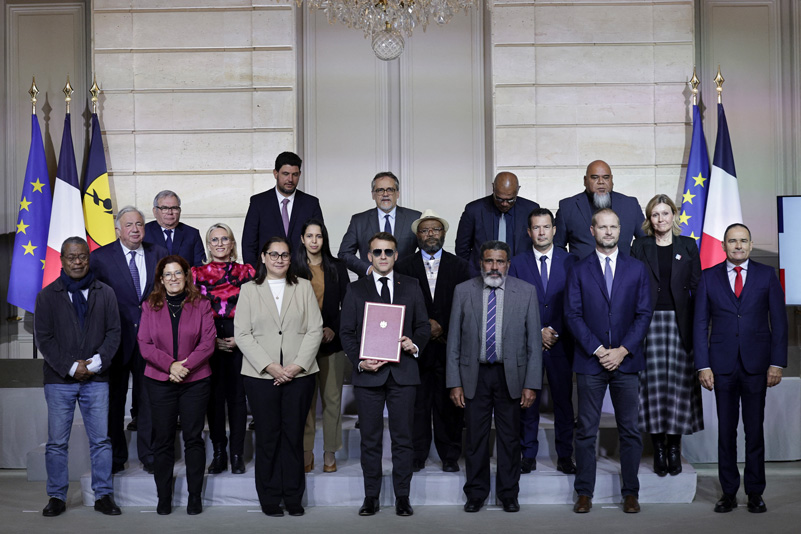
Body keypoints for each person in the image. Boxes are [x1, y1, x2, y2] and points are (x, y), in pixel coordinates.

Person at [694, 223, 787, 514]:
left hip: (757, 365)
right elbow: (699, 325)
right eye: (732, 241)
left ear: (750, 244)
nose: (738, 246)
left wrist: (776, 362)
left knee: (754, 431)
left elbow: (779, 322)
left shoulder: (766, 275)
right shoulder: (708, 278)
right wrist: (703, 365)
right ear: (723, 246)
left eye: (743, 241)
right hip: (720, 366)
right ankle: (729, 493)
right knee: (726, 432)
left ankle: (755, 493)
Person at [564, 208, 652, 514]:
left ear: (621, 230)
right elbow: (572, 315)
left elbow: (643, 315)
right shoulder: (578, 269)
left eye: (614, 226)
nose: (609, 232)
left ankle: (630, 492)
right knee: (586, 429)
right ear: (592, 231)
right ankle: (584, 492)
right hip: (591, 362)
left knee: (629, 429)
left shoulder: (637, 269)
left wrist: (623, 350)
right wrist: (600, 350)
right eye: (603, 227)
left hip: (627, 362)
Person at [446, 240, 542, 514]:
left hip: (510, 376)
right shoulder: (463, 291)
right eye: (489, 261)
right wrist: (454, 381)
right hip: (474, 375)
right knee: (475, 439)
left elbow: (534, 343)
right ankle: (476, 494)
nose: (495, 267)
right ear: (481, 263)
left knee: (510, 439)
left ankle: (508, 494)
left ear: (508, 264)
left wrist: (531, 383)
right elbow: (453, 340)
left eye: (500, 261)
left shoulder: (525, 292)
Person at [339, 232, 431, 517]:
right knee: (370, 439)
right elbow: (347, 332)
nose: (382, 257)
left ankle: (402, 497)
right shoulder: (356, 290)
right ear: (369, 256)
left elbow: (423, 326)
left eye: (388, 252)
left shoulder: (412, 286)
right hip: (369, 376)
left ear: (396, 255)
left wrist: (412, 344)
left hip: (403, 373)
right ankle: (371, 497)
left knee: (404, 438)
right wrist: (359, 362)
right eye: (377, 252)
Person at [235, 237, 324, 517]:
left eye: (284, 255)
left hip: (300, 375)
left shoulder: (304, 286)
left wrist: (296, 365)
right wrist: (270, 366)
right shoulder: (248, 290)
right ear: (262, 257)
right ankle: (270, 497)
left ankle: (293, 497)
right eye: (273, 254)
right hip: (261, 376)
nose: (279, 259)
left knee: (294, 435)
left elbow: (315, 329)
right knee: (268, 436)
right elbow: (242, 334)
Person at [35, 237, 122, 517]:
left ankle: (103, 495)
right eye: (71, 257)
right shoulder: (46, 296)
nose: (77, 262)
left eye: (82, 256)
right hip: (60, 380)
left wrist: (94, 364)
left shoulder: (105, 293)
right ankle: (57, 497)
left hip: (96, 379)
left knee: (101, 441)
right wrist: (72, 367)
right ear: (62, 260)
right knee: (57, 442)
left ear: (88, 258)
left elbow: (114, 333)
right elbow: (44, 340)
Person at [90, 206, 167, 474]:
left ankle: (149, 455)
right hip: (115, 342)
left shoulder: (158, 254)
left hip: (151, 341)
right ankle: (116, 457)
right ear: (118, 230)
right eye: (129, 225)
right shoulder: (99, 258)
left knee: (148, 401)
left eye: (139, 224)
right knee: (113, 401)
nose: (135, 229)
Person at [631, 194, 703, 477]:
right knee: (652, 387)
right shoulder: (641, 246)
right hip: (648, 325)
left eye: (665, 213)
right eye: (655, 214)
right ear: (649, 219)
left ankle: (675, 447)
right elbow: (633, 286)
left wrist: (700, 328)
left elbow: (697, 288)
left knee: (678, 388)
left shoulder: (688, 245)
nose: (660, 219)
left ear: (674, 215)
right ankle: (658, 447)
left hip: (680, 325)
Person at [138, 255, 216, 515]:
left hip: (195, 381)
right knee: (163, 440)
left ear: (186, 275)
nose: (173, 279)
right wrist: (170, 366)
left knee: (193, 438)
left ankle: (195, 497)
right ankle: (164, 497)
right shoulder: (150, 305)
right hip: (160, 380)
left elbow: (208, 342)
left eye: (178, 273)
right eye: (168, 275)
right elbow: (145, 344)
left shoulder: (201, 304)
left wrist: (184, 367)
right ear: (161, 279)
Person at [396, 209, 470, 472]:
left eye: (435, 230)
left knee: (448, 404)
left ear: (444, 233)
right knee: (416, 404)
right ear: (418, 235)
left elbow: (466, 306)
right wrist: (424, 329)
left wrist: (442, 327)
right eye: (425, 230)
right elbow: (399, 307)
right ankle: (417, 454)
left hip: (448, 347)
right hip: (415, 348)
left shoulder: (461, 266)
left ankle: (449, 455)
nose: (430, 234)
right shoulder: (403, 267)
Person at [509, 208, 578, 475]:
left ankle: (565, 455)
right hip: (529, 344)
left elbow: (574, 302)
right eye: (536, 228)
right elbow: (513, 303)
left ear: (554, 230)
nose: (541, 232)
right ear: (529, 232)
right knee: (529, 401)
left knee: (563, 401)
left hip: (561, 344)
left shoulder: (571, 261)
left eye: (546, 227)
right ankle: (528, 454)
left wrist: (554, 331)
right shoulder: (517, 263)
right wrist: (536, 331)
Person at [192, 223, 255, 475]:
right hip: (209, 337)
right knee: (214, 400)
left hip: (240, 336)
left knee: (238, 399)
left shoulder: (247, 271)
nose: (219, 243)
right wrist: (209, 340)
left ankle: (237, 454)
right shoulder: (195, 273)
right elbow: (193, 311)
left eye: (224, 239)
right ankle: (219, 453)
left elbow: (256, 309)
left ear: (232, 244)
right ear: (208, 244)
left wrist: (242, 337)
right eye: (214, 239)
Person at [294, 219, 350, 473]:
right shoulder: (292, 268)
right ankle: (307, 453)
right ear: (303, 239)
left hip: (332, 342)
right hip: (301, 344)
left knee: (332, 399)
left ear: (324, 239)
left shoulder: (337, 267)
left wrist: (333, 328)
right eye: (310, 236)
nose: (314, 241)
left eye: (319, 236)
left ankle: (329, 452)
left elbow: (349, 305)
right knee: (305, 402)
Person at [241, 151, 324, 268]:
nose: (290, 179)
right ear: (275, 173)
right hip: (266, 275)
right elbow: (249, 243)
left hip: (303, 274)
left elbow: (319, 241)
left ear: (300, 174)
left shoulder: (311, 204)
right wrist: (254, 275)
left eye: (295, 174)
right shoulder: (258, 203)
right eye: (285, 174)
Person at [554, 160, 645, 259]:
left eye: (606, 177)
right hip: (581, 273)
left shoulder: (630, 204)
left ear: (611, 180)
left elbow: (645, 243)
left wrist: (633, 266)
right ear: (585, 180)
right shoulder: (567, 207)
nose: (601, 182)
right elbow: (557, 246)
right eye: (595, 177)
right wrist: (570, 268)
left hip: (624, 272)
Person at [455, 172, 540, 277]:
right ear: (493, 188)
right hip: (481, 277)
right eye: (499, 198)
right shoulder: (474, 210)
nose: (504, 203)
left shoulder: (530, 209)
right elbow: (462, 248)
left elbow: (538, 244)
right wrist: (474, 271)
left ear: (518, 190)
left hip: (521, 277)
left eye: (510, 200)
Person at [338, 172, 421, 277]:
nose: (385, 194)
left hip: (406, 284)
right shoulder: (359, 221)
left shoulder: (414, 218)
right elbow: (344, 254)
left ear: (398, 193)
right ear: (373, 194)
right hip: (369, 286)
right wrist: (368, 269)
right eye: (380, 190)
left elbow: (426, 252)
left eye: (390, 189)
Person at [144, 190, 205, 267]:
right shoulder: (144, 232)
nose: (170, 212)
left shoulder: (192, 234)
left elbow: (200, 268)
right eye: (164, 208)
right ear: (155, 211)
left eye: (174, 208)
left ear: (179, 211)